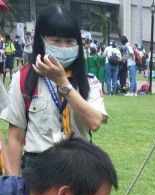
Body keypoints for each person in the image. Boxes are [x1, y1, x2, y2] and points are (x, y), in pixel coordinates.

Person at [1, 4, 107, 177]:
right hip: (38, 168)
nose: (64, 47)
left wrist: (63, 83)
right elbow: (15, 137)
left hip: (78, 168)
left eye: (70, 42)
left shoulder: (88, 82)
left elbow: (94, 123)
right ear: (42, 41)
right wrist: (14, 186)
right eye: (56, 41)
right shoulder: (23, 79)